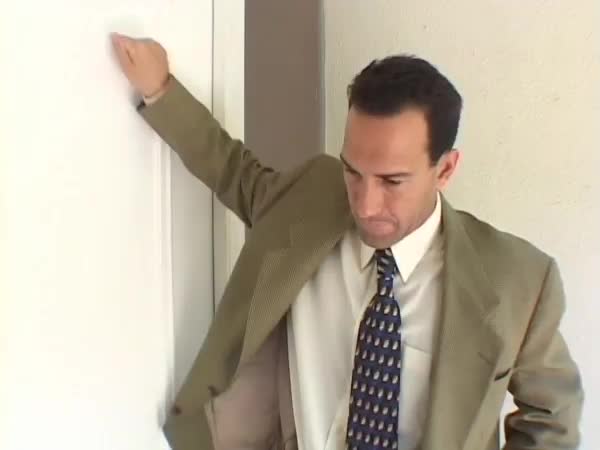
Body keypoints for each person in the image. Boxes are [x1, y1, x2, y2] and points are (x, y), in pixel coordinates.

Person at [111, 33, 583, 450]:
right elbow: (236, 174)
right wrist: (160, 89)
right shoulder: (313, 196)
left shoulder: (518, 280)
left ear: (445, 169)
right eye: (353, 171)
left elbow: (551, 418)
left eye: (392, 181)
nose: (365, 204)